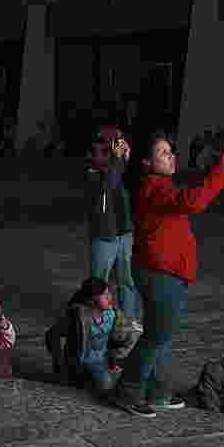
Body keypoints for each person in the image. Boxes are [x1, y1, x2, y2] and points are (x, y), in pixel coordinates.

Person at [111, 132, 224, 418]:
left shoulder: (159, 185)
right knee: (155, 337)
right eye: (163, 153)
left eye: (171, 152)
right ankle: (127, 391)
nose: (171, 157)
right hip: (160, 274)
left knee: (162, 337)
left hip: (168, 273)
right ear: (146, 162)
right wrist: (220, 173)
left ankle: (157, 392)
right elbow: (194, 201)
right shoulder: (153, 187)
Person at [45, 277, 140, 397]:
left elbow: (120, 338)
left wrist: (116, 356)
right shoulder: (78, 317)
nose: (110, 297)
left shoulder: (112, 315)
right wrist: (59, 362)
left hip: (102, 362)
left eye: (109, 293)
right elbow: (52, 334)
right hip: (80, 364)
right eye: (104, 295)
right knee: (107, 388)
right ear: (91, 300)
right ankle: (77, 379)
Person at [86, 127, 142, 327]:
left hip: (125, 233)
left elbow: (133, 185)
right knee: (99, 283)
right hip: (104, 236)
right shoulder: (92, 171)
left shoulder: (119, 164)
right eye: (113, 143)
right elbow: (108, 185)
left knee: (127, 281)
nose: (115, 147)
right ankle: (96, 322)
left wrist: (126, 159)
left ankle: (129, 320)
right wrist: (118, 159)